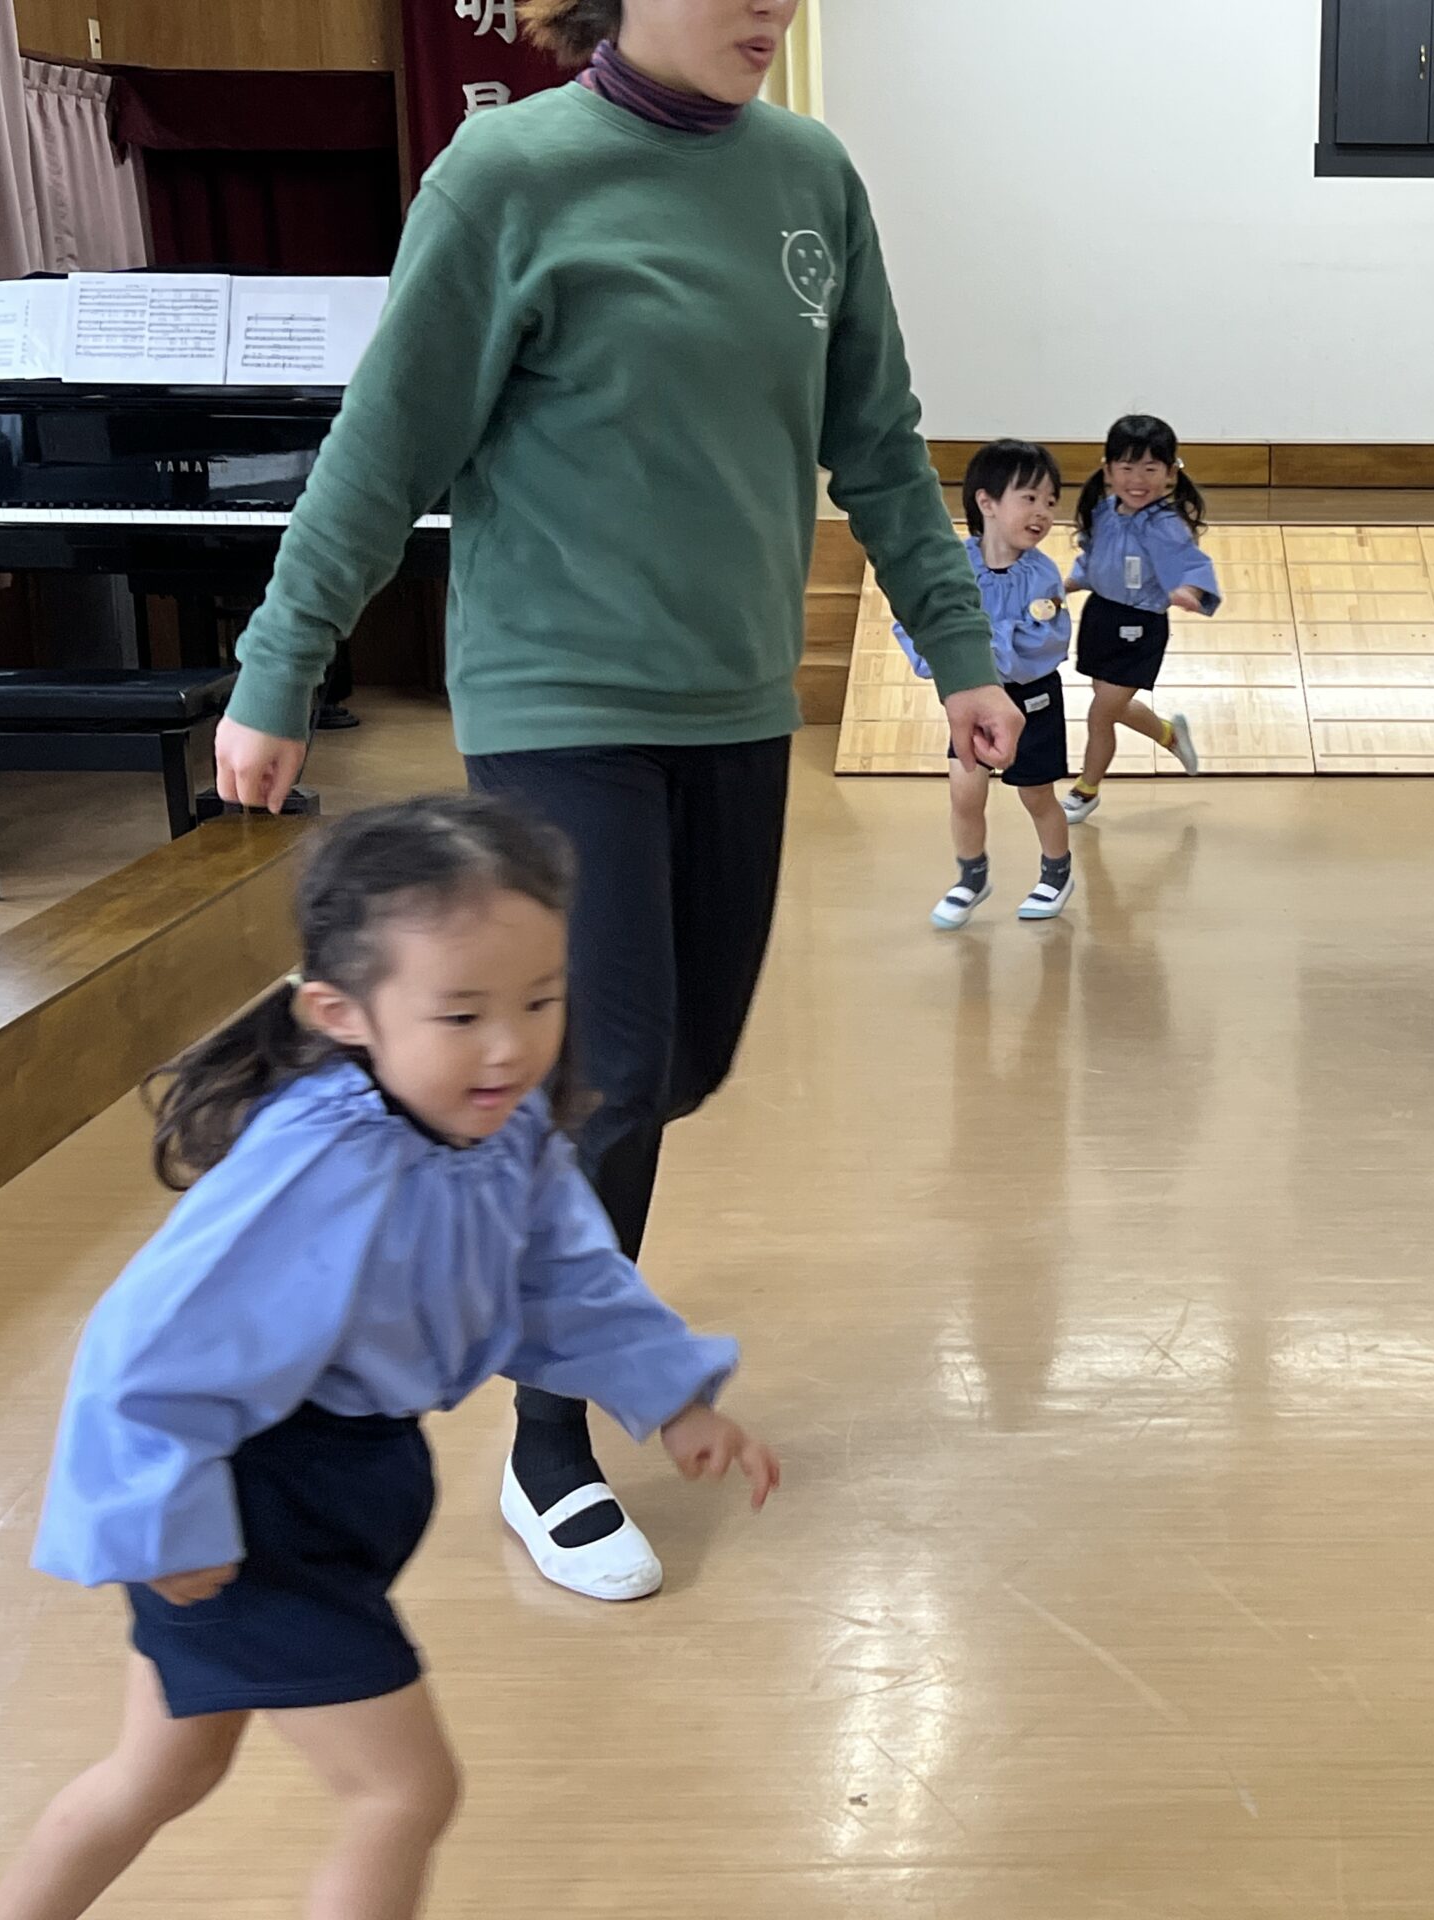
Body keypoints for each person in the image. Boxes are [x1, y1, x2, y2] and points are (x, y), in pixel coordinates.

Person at [209, 0, 1020, 1601]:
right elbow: (385, 448)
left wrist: (960, 651)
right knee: (614, 1066)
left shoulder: (810, 178)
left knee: (681, 1059)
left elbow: (876, 444)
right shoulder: (507, 175)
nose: (767, 5)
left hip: (732, 701)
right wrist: (279, 663)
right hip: (557, 695)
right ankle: (545, 1443)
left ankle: (429, 1127)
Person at [0, 796, 777, 1920]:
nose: (511, 1045)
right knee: (402, 1793)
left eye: (541, 999)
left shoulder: (501, 1128)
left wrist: (672, 1395)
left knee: (164, 1771)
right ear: (340, 1011)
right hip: (244, 1512)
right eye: (461, 1014)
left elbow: (567, 1277)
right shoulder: (318, 1165)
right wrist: (159, 1518)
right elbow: (148, 1347)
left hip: (342, 1484)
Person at [900, 441, 1078, 927]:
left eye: (1050, 501)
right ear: (987, 502)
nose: (1042, 512)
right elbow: (920, 622)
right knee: (964, 792)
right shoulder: (953, 567)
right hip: (972, 696)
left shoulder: (1041, 575)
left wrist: (978, 646)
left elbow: (1046, 641)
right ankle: (971, 876)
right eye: (1029, 497)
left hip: (1031, 699)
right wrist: (947, 661)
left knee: (1036, 794)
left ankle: (1057, 872)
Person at [1062, 414, 1217, 823]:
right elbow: (1093, 560)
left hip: (1140, 627)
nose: (1137, 479)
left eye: (1150, 469)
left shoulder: (1167, 525)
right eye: (1127, 467)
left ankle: (1086, 790)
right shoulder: (1103, 511)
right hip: (1100, 616)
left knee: (1100, 713)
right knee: (1111, 704)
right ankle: (1169, 735)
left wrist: (1189, 591)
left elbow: (1193, 565)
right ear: (1108, 470)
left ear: (1170, 474)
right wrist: (1067, 585)